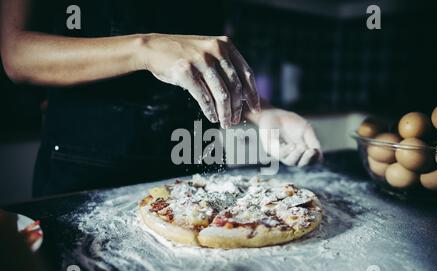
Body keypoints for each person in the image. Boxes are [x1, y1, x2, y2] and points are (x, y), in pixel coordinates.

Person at [0, 0, 321, 197]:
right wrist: (145, 48)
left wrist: (262, 111)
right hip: (85, 171)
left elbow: (203, 62)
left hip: (195, 165)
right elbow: (17, 52)